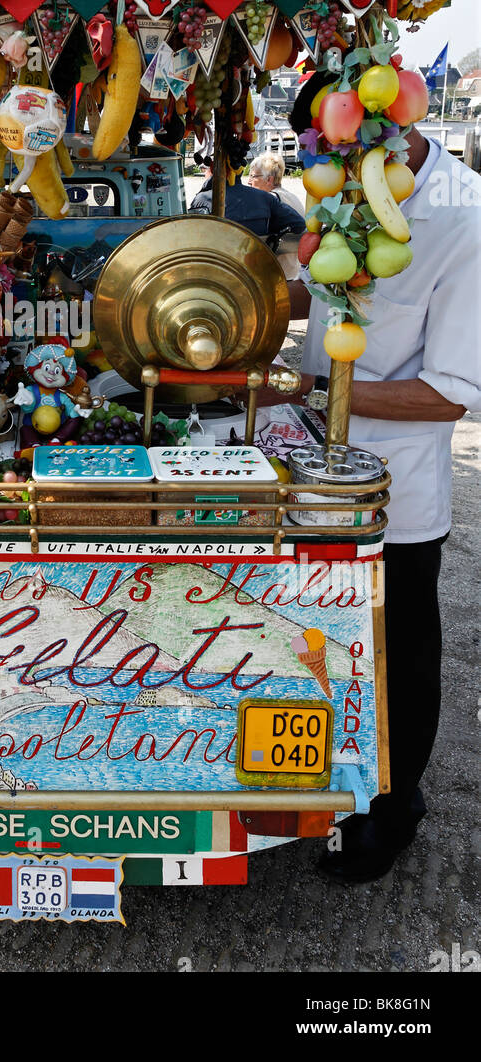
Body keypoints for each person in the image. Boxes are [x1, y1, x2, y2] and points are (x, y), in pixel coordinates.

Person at [286, 72, 481, 883]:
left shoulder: (462, 214)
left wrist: (309, 392)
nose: (319, 163)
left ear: (385, 125)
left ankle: (391, 814)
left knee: (396, 657)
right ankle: (327, 789)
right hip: (309, 472)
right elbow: (326, 294)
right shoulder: (348, 191)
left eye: (329, 146)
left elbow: (450, 396)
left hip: (394, 497)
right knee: (320, 654)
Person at [189, 162, 306, 245]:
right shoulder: (265, 198)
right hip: (255, 268)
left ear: (213, 169)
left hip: (218, 269)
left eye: (206, 168)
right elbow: (299, 224)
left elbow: (191, 237)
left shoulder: (202, 198)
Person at [248, 151, 305, 278]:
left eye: (253, 176)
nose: (249, 181)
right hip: (293, 272)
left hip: (273, 275)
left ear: (269, 179)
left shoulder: (269, 201)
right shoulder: (293, 197)